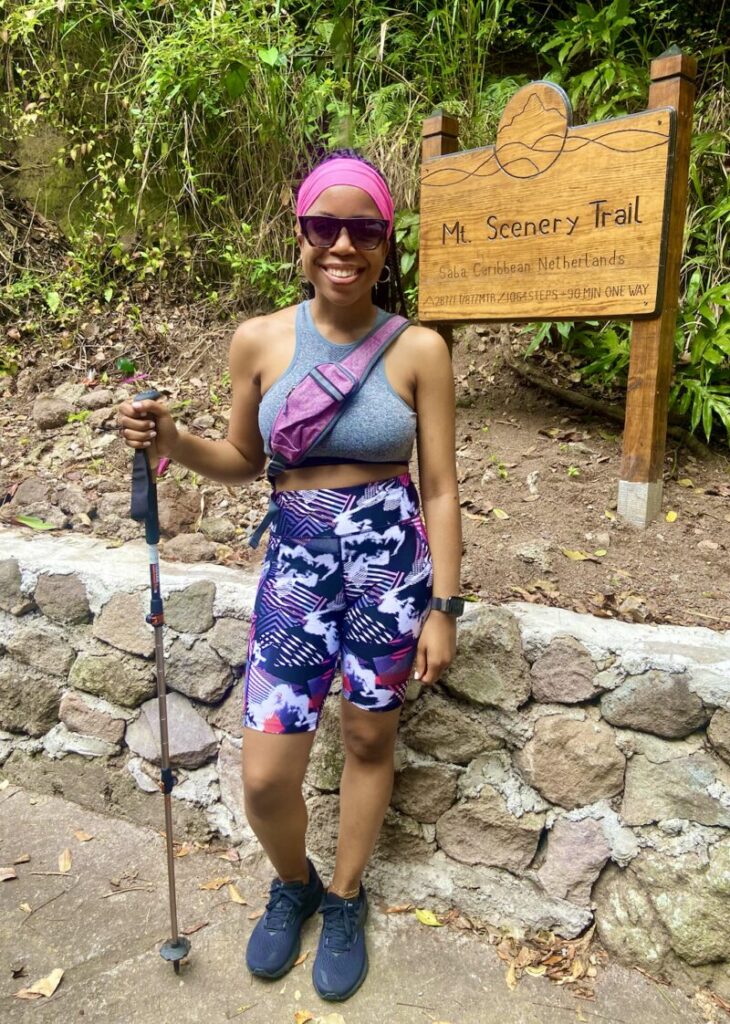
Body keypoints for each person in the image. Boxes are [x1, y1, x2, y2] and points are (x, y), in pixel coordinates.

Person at [118, 150, 462, 1002]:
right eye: (325, 227)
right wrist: (170, 441)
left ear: (387, 243)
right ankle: (295, 881)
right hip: (297, 567)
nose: (344, 245)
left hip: (390, 567)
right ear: (300, 234)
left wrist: (444, 607)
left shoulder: (419, 348)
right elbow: (240, 457)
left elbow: (445, 488)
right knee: (268, 775)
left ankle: (344, 896)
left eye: (366, 230)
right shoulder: (261, 340)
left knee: (368, 740)